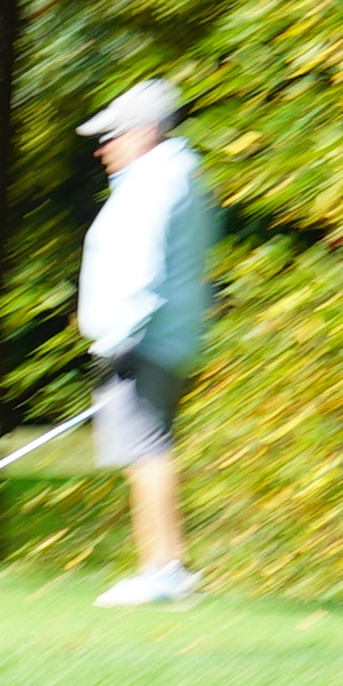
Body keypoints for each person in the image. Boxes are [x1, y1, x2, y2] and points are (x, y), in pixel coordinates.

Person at [75, 76, 217, 607]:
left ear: (145, 132)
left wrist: (122, 337)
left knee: (147, 450)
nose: (103, 148)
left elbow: (142, 265)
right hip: (161, 334)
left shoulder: (155, 184)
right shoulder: (173, 176)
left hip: (143, 338)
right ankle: (159, 567)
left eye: (112, 135)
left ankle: (165, 568)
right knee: (145, 450)